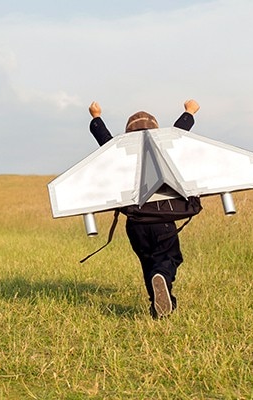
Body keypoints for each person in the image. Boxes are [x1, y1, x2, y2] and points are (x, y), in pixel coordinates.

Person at [88, 99, 200, 319]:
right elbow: (178, 134)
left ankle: (157, 308)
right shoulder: (163, 152)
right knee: (168, 259)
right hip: (162, 220)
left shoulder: (120, 156)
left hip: (135, 225)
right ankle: (162, 281)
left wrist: (96, 117)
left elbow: (105, 141)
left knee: (147, 262)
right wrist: (189, 112)